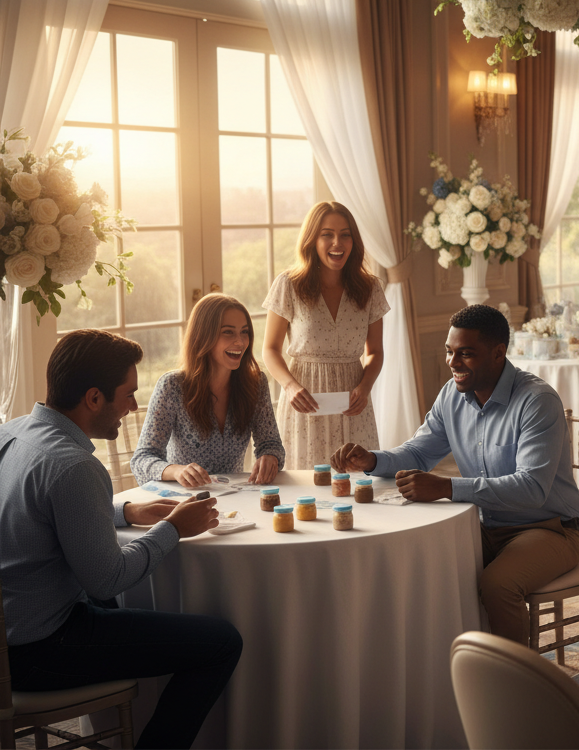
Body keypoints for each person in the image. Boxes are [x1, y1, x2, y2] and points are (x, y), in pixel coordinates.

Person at [0, 330, 243, 749]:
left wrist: (123, 512)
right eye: (128, 395)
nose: (133, 407)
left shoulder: (14, 432)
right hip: (38, 651)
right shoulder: (74, 465)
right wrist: (174, 529)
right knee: (221, 642)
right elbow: (107, 580)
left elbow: (32, 515)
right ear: (94, 398)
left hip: (8, 631)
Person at [329, 304, 579, 644]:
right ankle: (445, 671)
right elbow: (418, 452)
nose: (452, 363)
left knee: (497, 584)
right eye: (450, 352)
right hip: (483, 526)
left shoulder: (537, 402)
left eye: (466, 354)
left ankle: (518, 685)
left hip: (549, 529)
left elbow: (531, 489)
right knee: (426, 567)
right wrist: (371, 461)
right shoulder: (452, 394)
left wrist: (448, 487)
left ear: (498, 353)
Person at [262, 201, 388, 470]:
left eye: (345, 234)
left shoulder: (370, 287)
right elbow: (270, 349)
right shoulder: (289, 285)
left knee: (357, 483)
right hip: (305, 400)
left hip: (353, 402)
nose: (337, 243)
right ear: (312, 239)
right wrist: (290, 386)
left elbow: (375, 351)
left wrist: (365, 388)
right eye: (327, 234)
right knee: (307, 486)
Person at [132, 293, 285, 486]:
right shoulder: (172, 386)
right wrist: (177, 470)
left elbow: (271, 444)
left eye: (244, 332)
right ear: (203, 335)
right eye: (228, 332)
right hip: (185, 501)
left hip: (237, 499)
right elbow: (142, 459)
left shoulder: (256, 383)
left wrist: (270, 457)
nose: (240, 342)